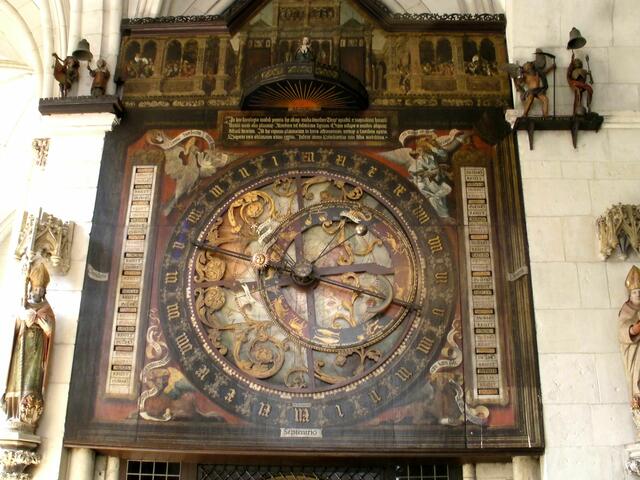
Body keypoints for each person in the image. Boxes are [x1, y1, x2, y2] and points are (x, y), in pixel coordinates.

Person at [1, 262, 55, 431]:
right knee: (17, 376)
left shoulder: (47, 309)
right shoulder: (23, 305)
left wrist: (38, 319)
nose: (38, 292)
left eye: (41, 289)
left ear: (44, 291)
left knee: (32, 378)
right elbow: (15, 328)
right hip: (22, 347)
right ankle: (14, 410)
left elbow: (50, 330)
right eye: (36, 288)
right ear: (31, 289)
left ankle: (28, 409)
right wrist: (23, 315)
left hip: (37, 350)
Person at [619, 265, 640, 431]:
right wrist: (634, 330)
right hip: (636, 354)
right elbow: (623, 331)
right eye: (634, 292)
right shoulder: (626, 310)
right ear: (629, 295)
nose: (638, 294)